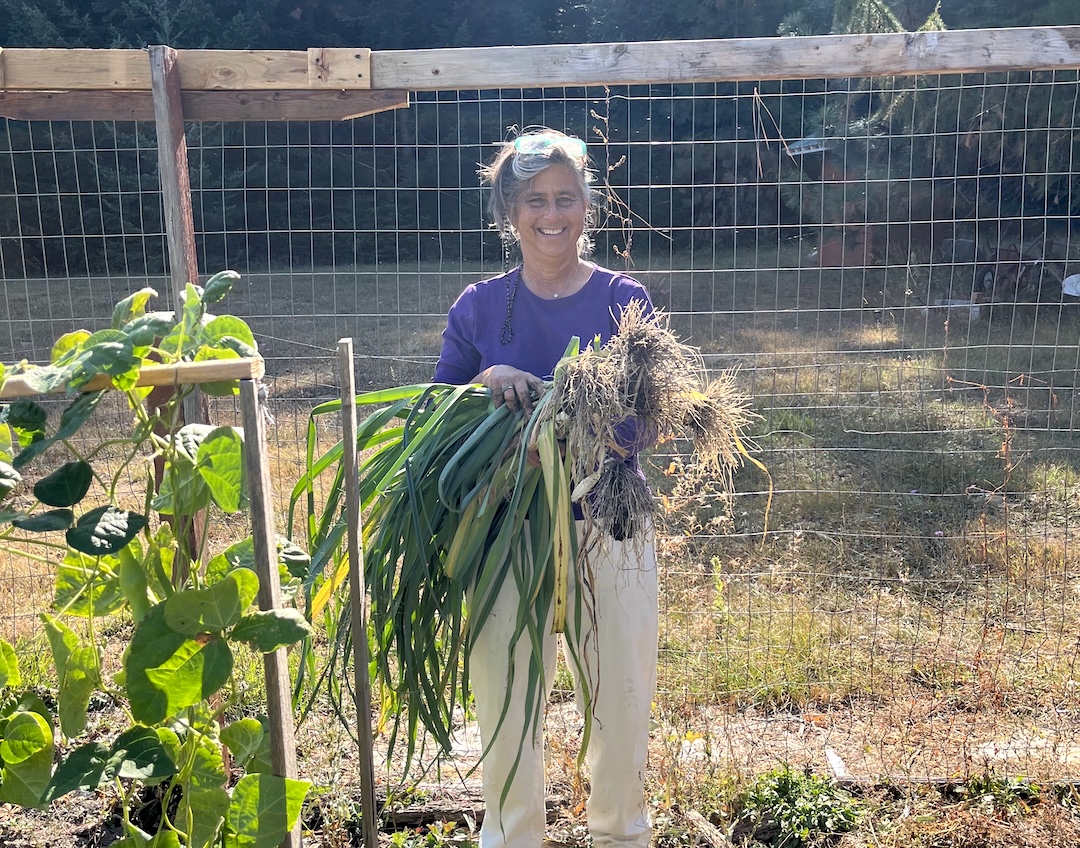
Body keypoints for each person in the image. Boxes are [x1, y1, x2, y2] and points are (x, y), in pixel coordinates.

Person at [433, 128, 659, 848]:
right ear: (510, 211)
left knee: (622, 699)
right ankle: (510, 837)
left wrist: (584, 427)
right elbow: (434, 419)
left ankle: (621, 835)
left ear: (589, 207)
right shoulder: (478, 307)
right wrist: (482, 385)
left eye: (566, 198)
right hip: (504, 530)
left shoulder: (625, 299)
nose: (552, 214)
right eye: (535, 200)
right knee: (505, 700)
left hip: (608, 521)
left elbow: (650, 419)